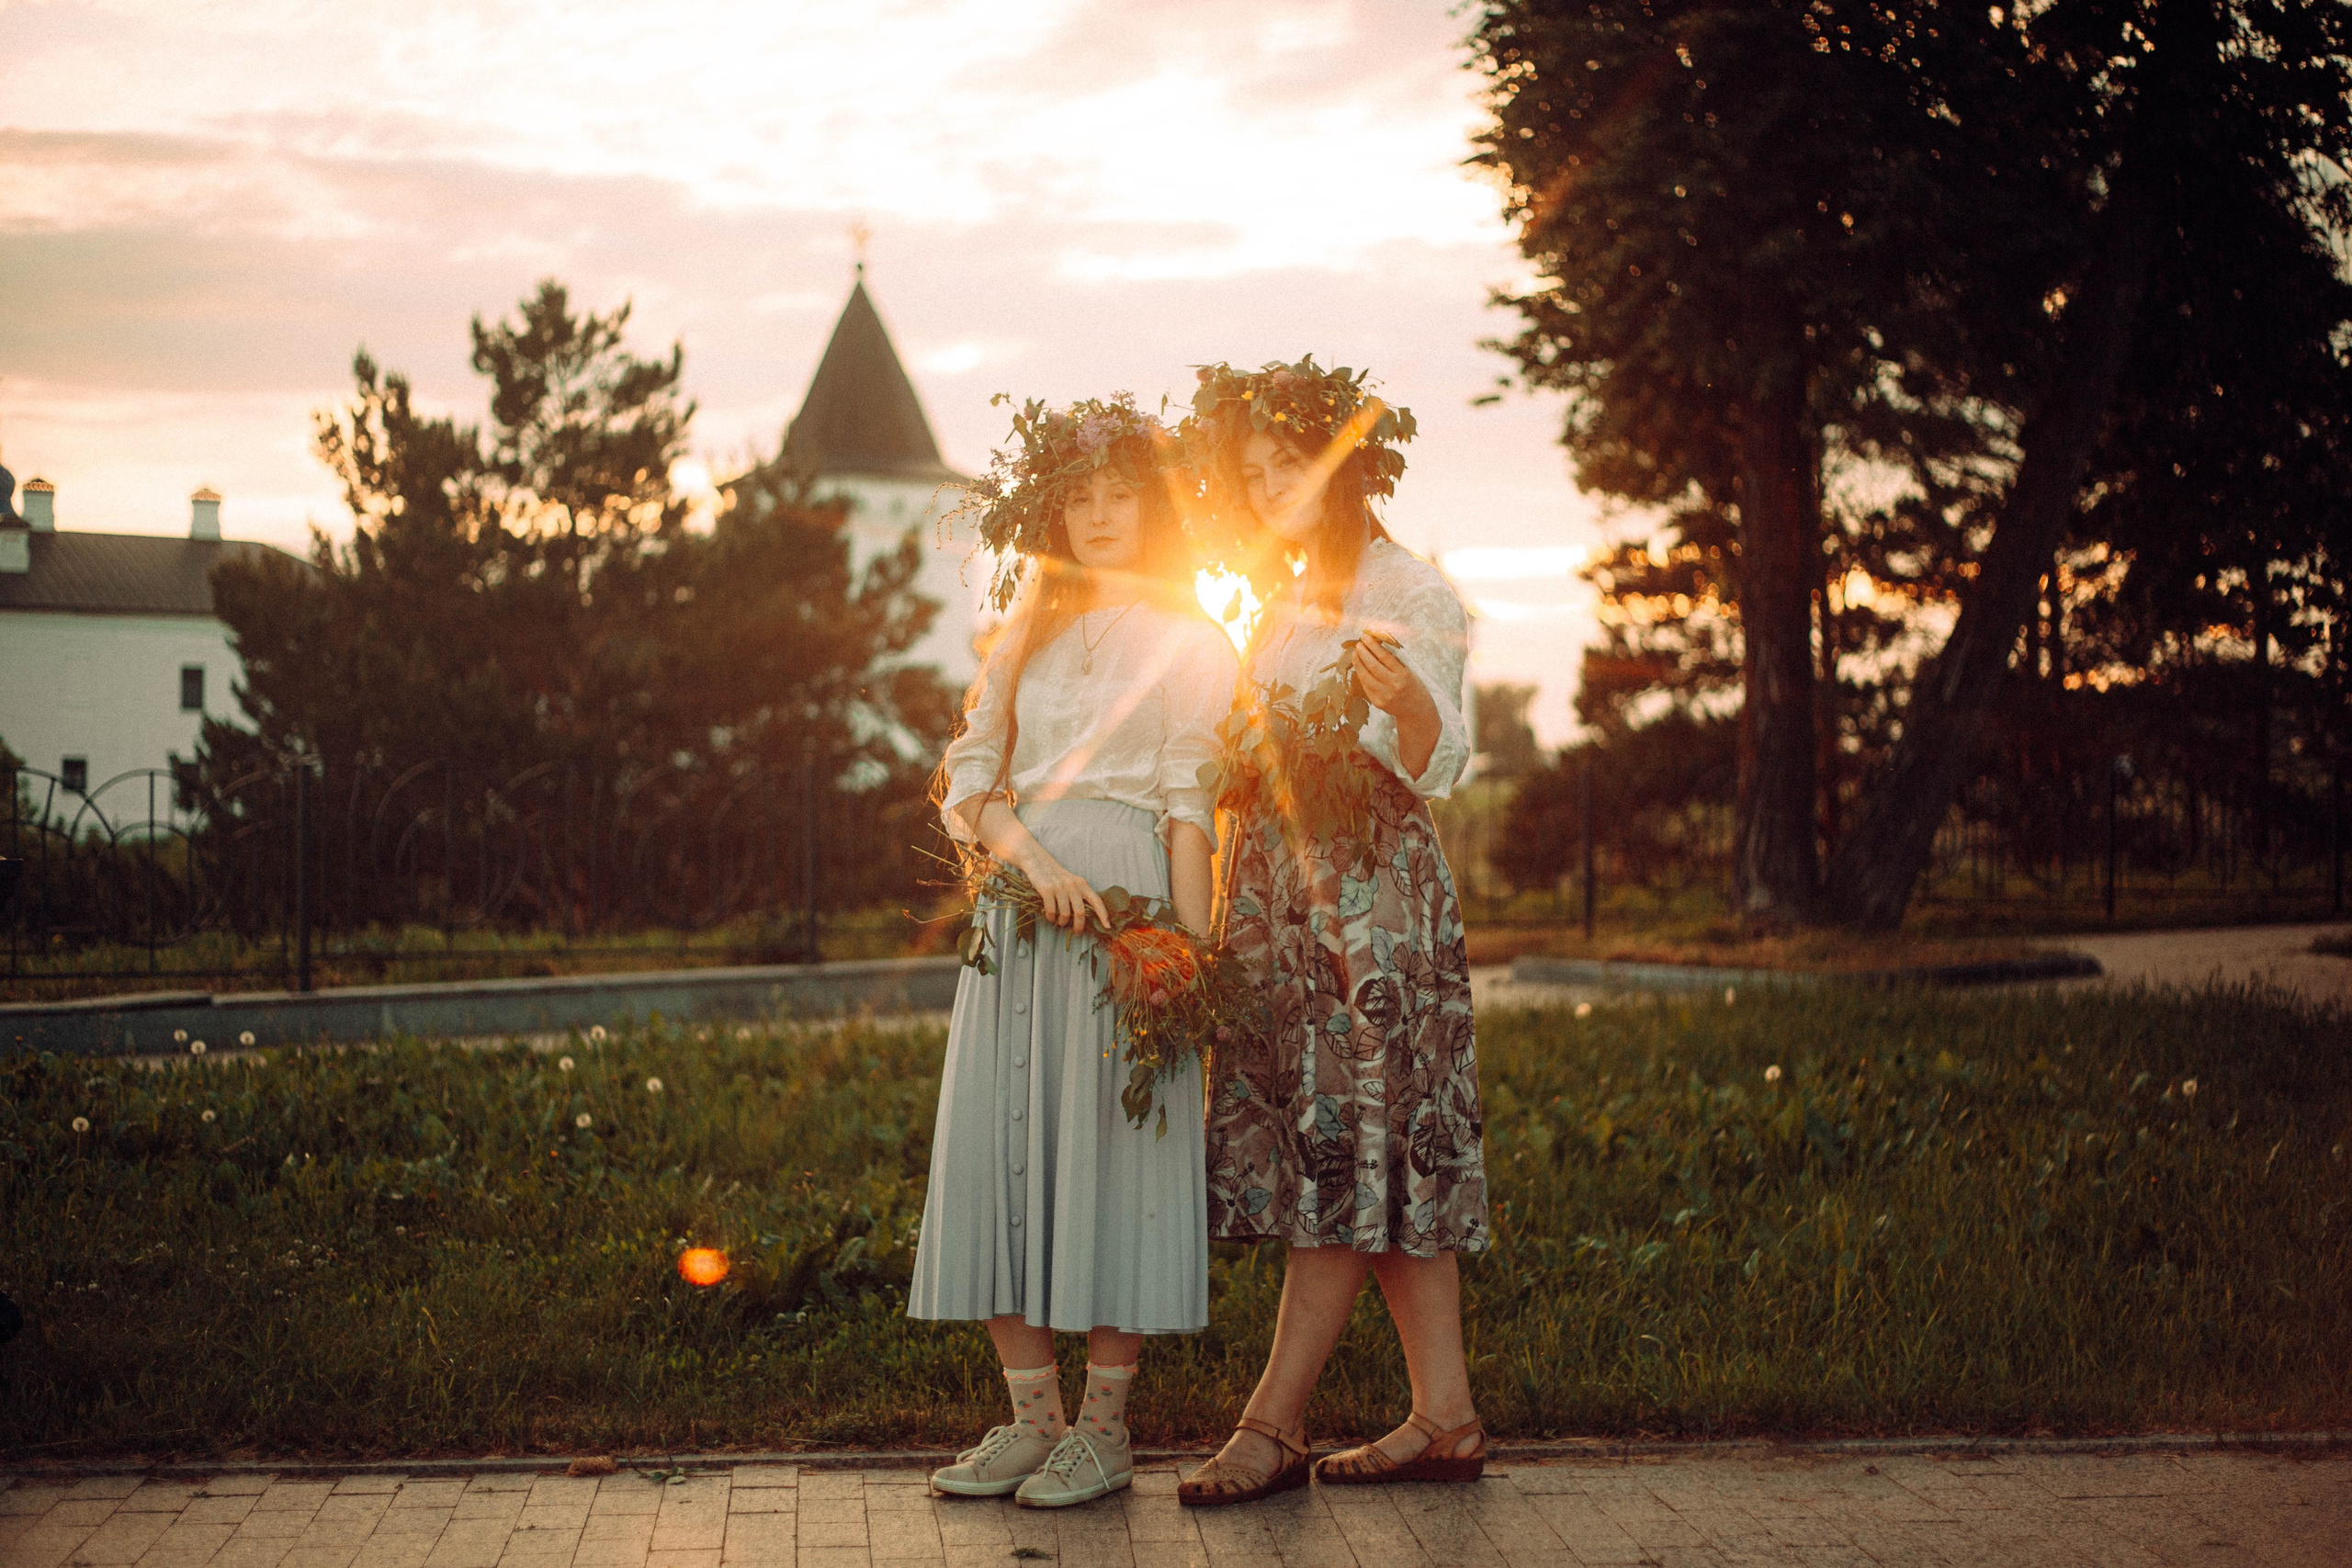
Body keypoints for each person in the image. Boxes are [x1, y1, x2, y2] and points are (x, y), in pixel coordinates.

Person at [908, 394, 1239, 1509]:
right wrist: (1029, 862)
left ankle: (1104, 1435)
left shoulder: (1196, 642)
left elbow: (1191, 803)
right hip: (1021, 916)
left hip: (1127, 919)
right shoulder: (1026, 633)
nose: (1101, 515)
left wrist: (1194, 955)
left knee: (1107, 1161)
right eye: (1081, 497)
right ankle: (1029, 1424)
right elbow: (973, 781)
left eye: (1121, 495)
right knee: (1003, 1155)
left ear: (1153, 510)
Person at [1174, 359, 1488, 1506]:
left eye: (1288, 468)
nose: (1269, 490)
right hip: (1284, 901)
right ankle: (1444, 1418)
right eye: (1250, 477)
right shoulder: (1279, 596)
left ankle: (1271, 1424)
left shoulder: (1404, 585)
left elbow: (1443, 752)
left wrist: (1405, 705)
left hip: (1370, 911)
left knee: (1348, 1147)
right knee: (1383, 1149)